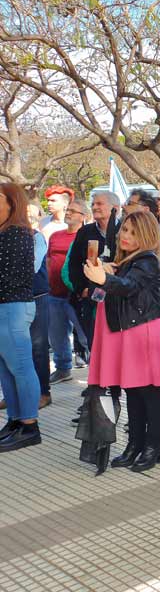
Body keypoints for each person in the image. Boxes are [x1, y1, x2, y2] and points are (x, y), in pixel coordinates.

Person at [82, 211, 160, 472]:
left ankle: (152, 446)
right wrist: (106, 275)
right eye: (124, 230)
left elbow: (129, 286)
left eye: (133, 232)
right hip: (128, 331)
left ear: (145, 235)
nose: (125, 236)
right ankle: (136, 444)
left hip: (144, 332)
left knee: (149, 391)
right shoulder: (127, 261)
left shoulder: (147, 260)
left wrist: (105, 278)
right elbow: (114, 288)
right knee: (132, 390)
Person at [0, 183, 42, 453]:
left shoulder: (17, 234)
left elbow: (8, 277)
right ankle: (15, 419)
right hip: (6, 306)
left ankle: (29, 425)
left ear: (11, 204)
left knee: (21, 368)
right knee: (6, 370)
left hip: (13, 307)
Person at [64, 190, 120, 358]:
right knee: (94, 341)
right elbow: (73, 264)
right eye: (93, 204)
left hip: (118, 298)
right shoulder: (85, 232)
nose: (94, 207)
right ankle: (97, 382)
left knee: (116, 344)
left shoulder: (125, 230)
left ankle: (116, 383)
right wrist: (82, 289)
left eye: (99, 204)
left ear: (114, 208)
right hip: (91, 298)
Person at [46, 200, 90, 387]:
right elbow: (49, 259)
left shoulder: (86, 236)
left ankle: (96, 373)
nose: (68, 213)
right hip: (54, 293)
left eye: (73, 211)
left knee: (85, 336)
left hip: (75, 295)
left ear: (84, 217)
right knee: (56, 335)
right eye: (68, 210)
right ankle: (63, 368)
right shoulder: (56, 236)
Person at [27, 203, 51, 410]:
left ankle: (43, 392)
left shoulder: (36, 237)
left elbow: (31, 266)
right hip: (12, 299)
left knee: (38, 347)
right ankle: (15, 392)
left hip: (37, 297)